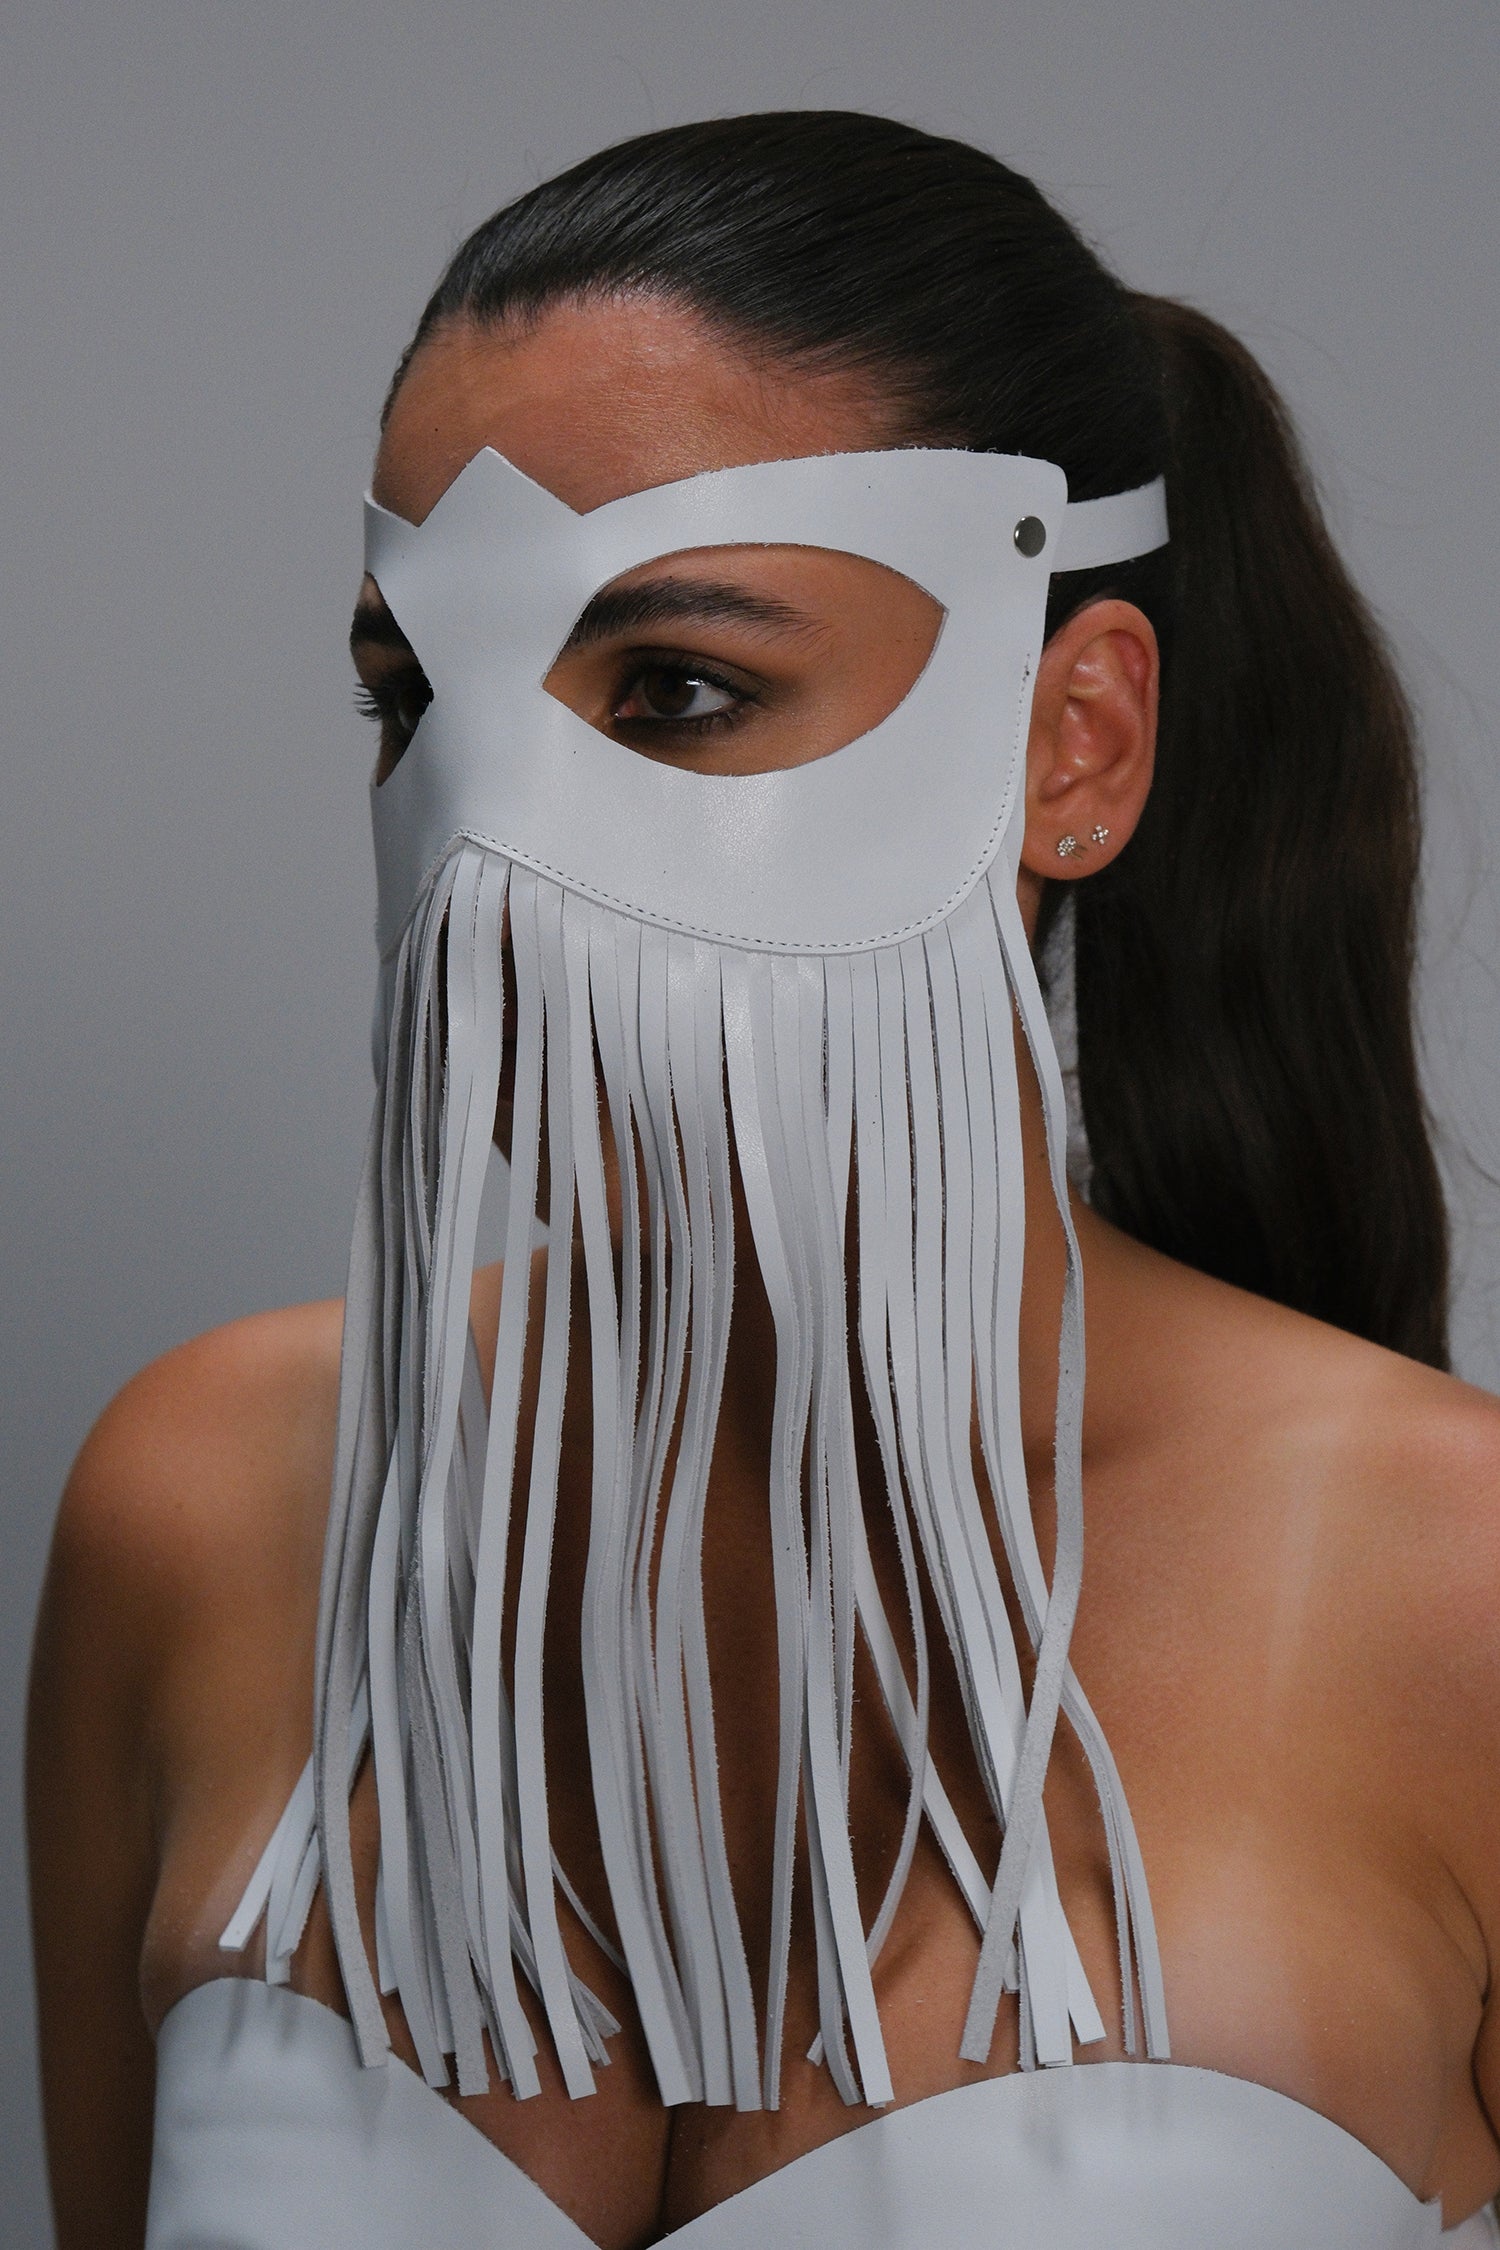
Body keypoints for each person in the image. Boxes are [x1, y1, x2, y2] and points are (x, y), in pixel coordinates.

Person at [27, 110, 1500, 2249]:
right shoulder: (206, 1512)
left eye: (682, 688)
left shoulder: (1453, 1591)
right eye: (412, 702)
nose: (487, 867)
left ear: (1072, 741)